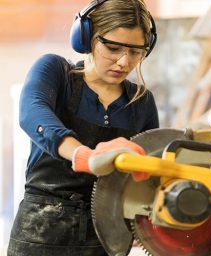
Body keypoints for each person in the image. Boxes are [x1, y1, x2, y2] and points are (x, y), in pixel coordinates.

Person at [7, 0, 159, 255]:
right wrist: (84, 156)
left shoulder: (142, 102)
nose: (124, 62)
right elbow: (32, 113)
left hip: (104, 238)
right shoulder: (55, 72)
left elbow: (149, 174)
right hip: (40, 231)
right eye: (112, 48)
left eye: (135, 52)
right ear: (86, 37)